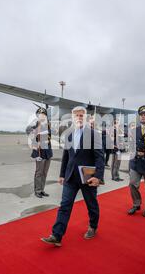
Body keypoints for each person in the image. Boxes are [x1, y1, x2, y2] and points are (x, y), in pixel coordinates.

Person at [41, 106, 104, 247]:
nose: (79, 118)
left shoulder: (94, 134)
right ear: (72, 117)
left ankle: (93, 226)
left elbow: (100, 157)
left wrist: (98, 177)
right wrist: (62, 174)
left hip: (88, 177)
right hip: (70, 177)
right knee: (64, 205)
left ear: (86, 117)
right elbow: (66, 157)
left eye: (82, 115)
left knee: (91, 204)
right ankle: (57, 235)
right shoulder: (69, 135)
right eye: (76, 115)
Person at [31, 107, 53, 198]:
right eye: (40, 115)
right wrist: (36, 155)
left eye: (44, 114)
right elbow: (33, 141)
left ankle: (42, 189)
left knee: (44, 172)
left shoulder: (48, 125)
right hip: (40, 153)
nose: (42, 116)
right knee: (39, 172)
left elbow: (49, 140)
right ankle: (37, 190)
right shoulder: (37, 126)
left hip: (47, 152)